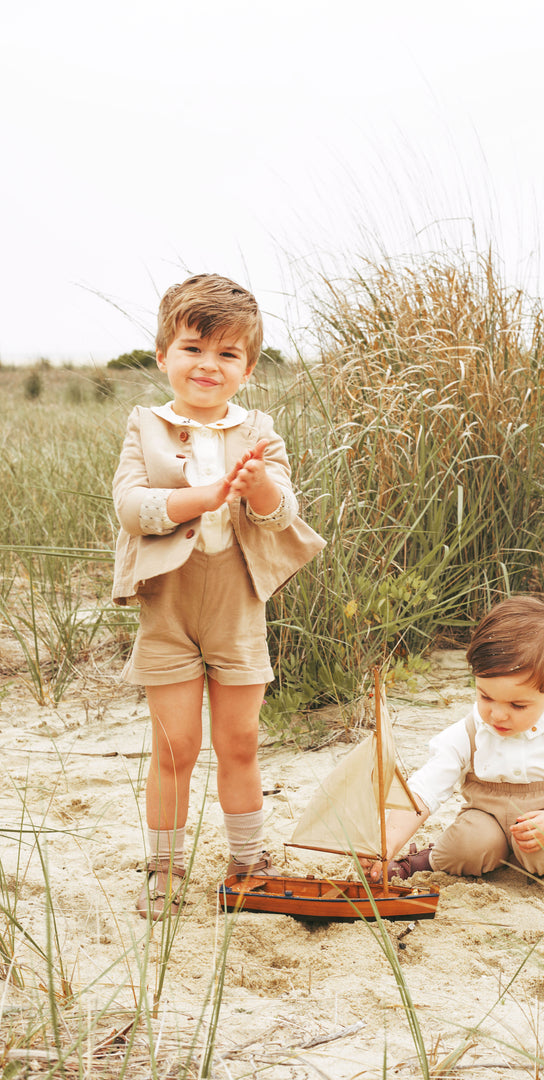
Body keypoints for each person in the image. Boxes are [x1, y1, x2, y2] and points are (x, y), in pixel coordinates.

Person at [112, 273, 325, 920]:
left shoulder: (258, 429)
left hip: (237, 605)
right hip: (169, 604)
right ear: (163, 356)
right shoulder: (146, 426)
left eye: (227, 354)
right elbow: (131, 506)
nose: (209, 365)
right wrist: (202, 497)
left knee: (240, 740)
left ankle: (248, 862)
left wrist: (258, 485)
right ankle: (164, 867)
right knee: (175, 746)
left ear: (248, 368)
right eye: (193, 348)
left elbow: (281, 513)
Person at [364, 596, 544, 905]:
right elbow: (423, 791)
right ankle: (424, 860)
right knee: (469, 843)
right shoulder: (469, 732)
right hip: (487, 822)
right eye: (486, 697)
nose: (497, 715)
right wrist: (389, 841)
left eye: (517, 705)